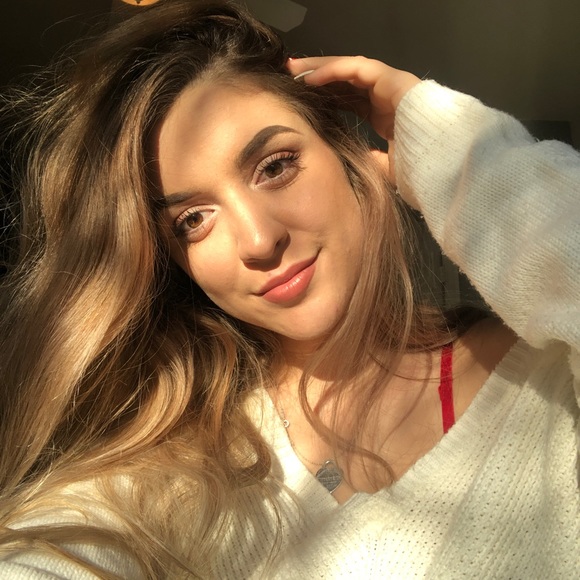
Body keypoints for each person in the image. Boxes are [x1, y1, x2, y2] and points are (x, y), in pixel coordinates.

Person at [0, 0, 578, 577]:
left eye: (275, 166)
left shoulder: (549, 381)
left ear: (348, 157)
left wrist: (459, 153)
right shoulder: (166, 473)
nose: (257, 240)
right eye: (192, 220)